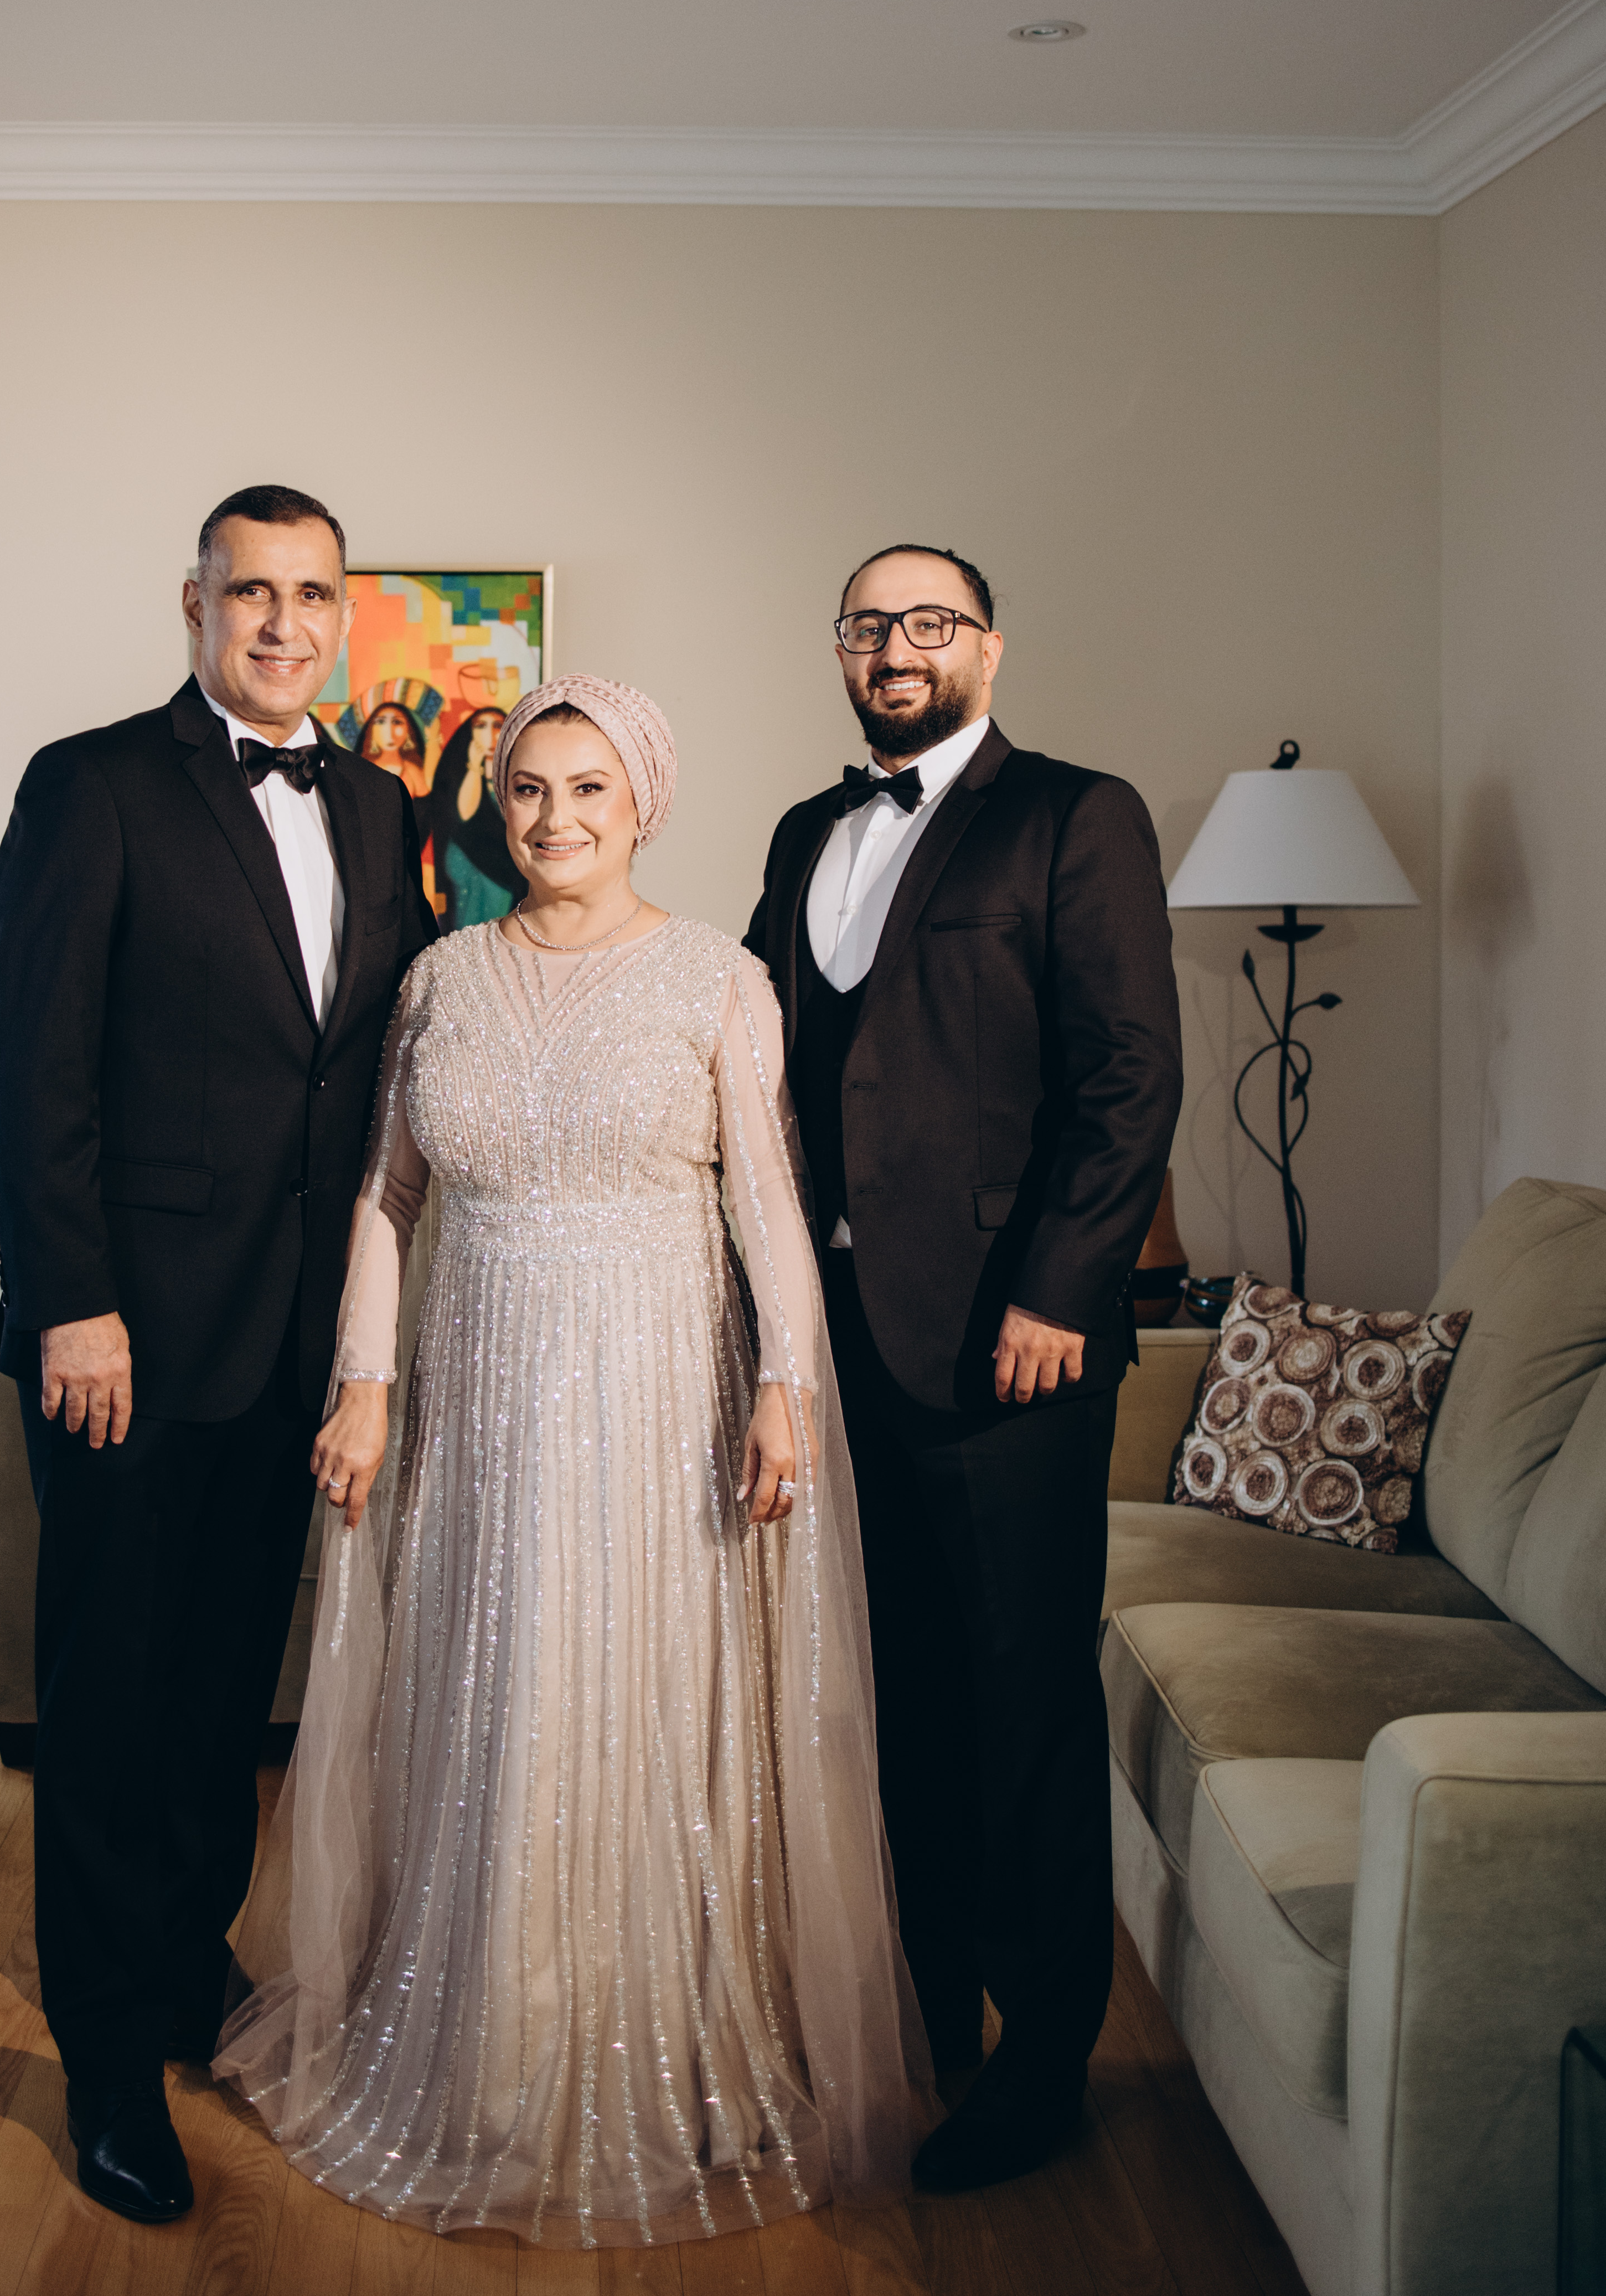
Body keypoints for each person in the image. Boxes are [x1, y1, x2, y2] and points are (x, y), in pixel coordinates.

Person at [218, 675, 936, 2247]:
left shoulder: (716, 977)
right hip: (476, 1399)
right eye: (530, 789)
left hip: (657, 1392)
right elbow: (389, 1197)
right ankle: (486, 2044)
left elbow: (768, 1204)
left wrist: (785, 1387)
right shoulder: (439, 978)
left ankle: (659, 2044)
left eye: (588, 789)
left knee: (629, 1688)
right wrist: (364, 1384)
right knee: (492, 1689)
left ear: (643, 804)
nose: (554, 819)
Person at [0, 484, 437, 2226]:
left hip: (295, 1338)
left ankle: (183, 1971)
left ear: (344, 615)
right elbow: (39, 1065)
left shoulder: (380, 803)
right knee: (109, 1703)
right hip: (130, 1336)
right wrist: (72, 1298)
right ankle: (105, 2059)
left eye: (312, 594)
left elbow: (374, 1063)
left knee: (224, 1694)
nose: (281, 622)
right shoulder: (90, 784)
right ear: (195, 606)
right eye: (250, 591)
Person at [742, 545, 1181, 2192]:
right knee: (898, 1692)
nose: (896, 646)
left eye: (928, 621)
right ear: (840, 651)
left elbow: (1130, 1074)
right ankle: (922, 2005)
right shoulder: (804, 830)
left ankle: (1043, 2055)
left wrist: (1060, 1287)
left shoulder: (1076, 815)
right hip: (842, 1339)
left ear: (986, 647)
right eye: (868, 623)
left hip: (1013, 1343)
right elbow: (757, 1049)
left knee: (1022, 1703)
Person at [426, 701, 521, 925]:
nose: (490, 734)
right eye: (481, 726)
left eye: (497, 726)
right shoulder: (461, 772)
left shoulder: (517, 775)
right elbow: (465, 814)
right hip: (467, 863)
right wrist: (475, 766)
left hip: (504, 868)